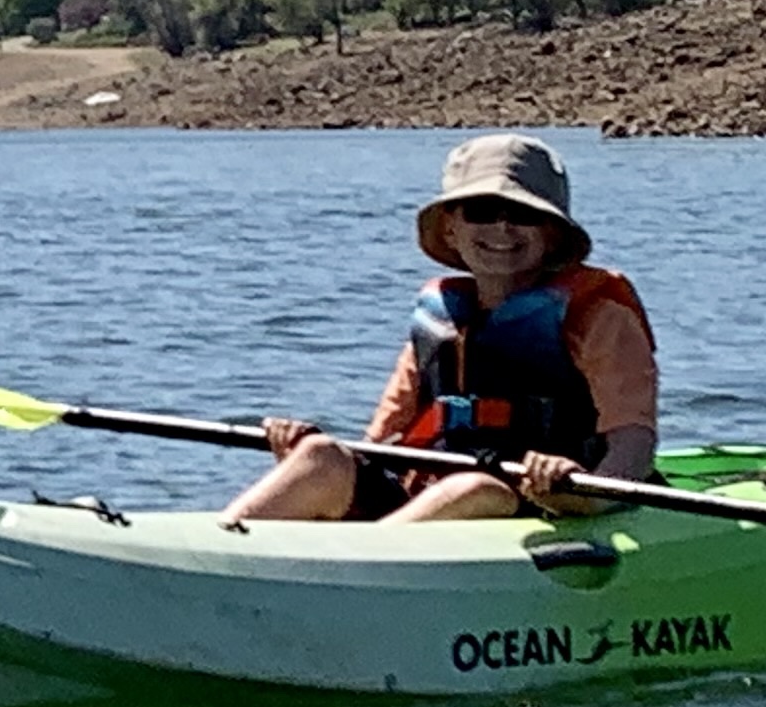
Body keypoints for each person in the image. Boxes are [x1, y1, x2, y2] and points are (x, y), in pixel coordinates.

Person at [222, 133, 659, 525]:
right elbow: (382, 444)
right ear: (451, 229)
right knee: (320, 455)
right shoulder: (440, 319)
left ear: (552, 234)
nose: (502, 228)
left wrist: (587, 496)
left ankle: (357, 566)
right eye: (481, 212)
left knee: (474, 488)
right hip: (429, 500)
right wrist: (300, 448)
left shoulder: (599, 317)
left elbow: (633, 445)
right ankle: (225, 545)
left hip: (538, 502)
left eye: (523, 214)